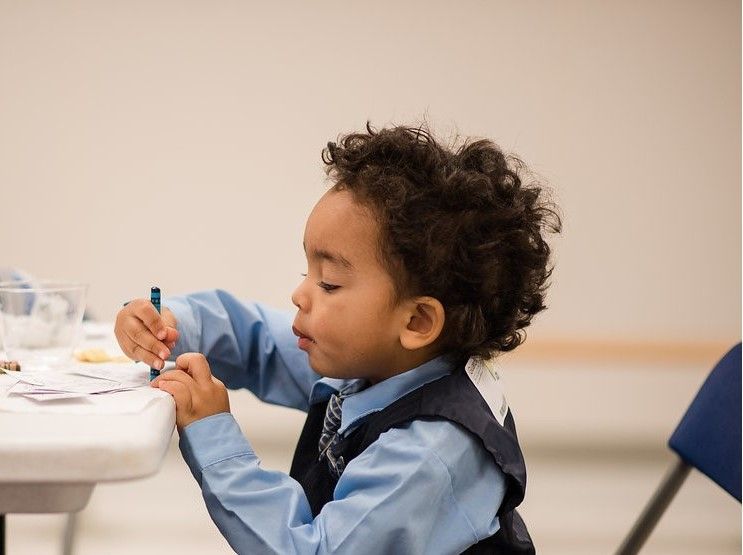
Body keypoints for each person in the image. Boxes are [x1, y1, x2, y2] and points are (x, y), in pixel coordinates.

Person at [114, 124, 561, 554]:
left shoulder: (430, 451)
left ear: (417, 322)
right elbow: (257, 342)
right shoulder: (381, 363)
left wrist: (213, 436)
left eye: (328, 283)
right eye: (306, 272)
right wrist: (171, 322)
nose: (299, 294)